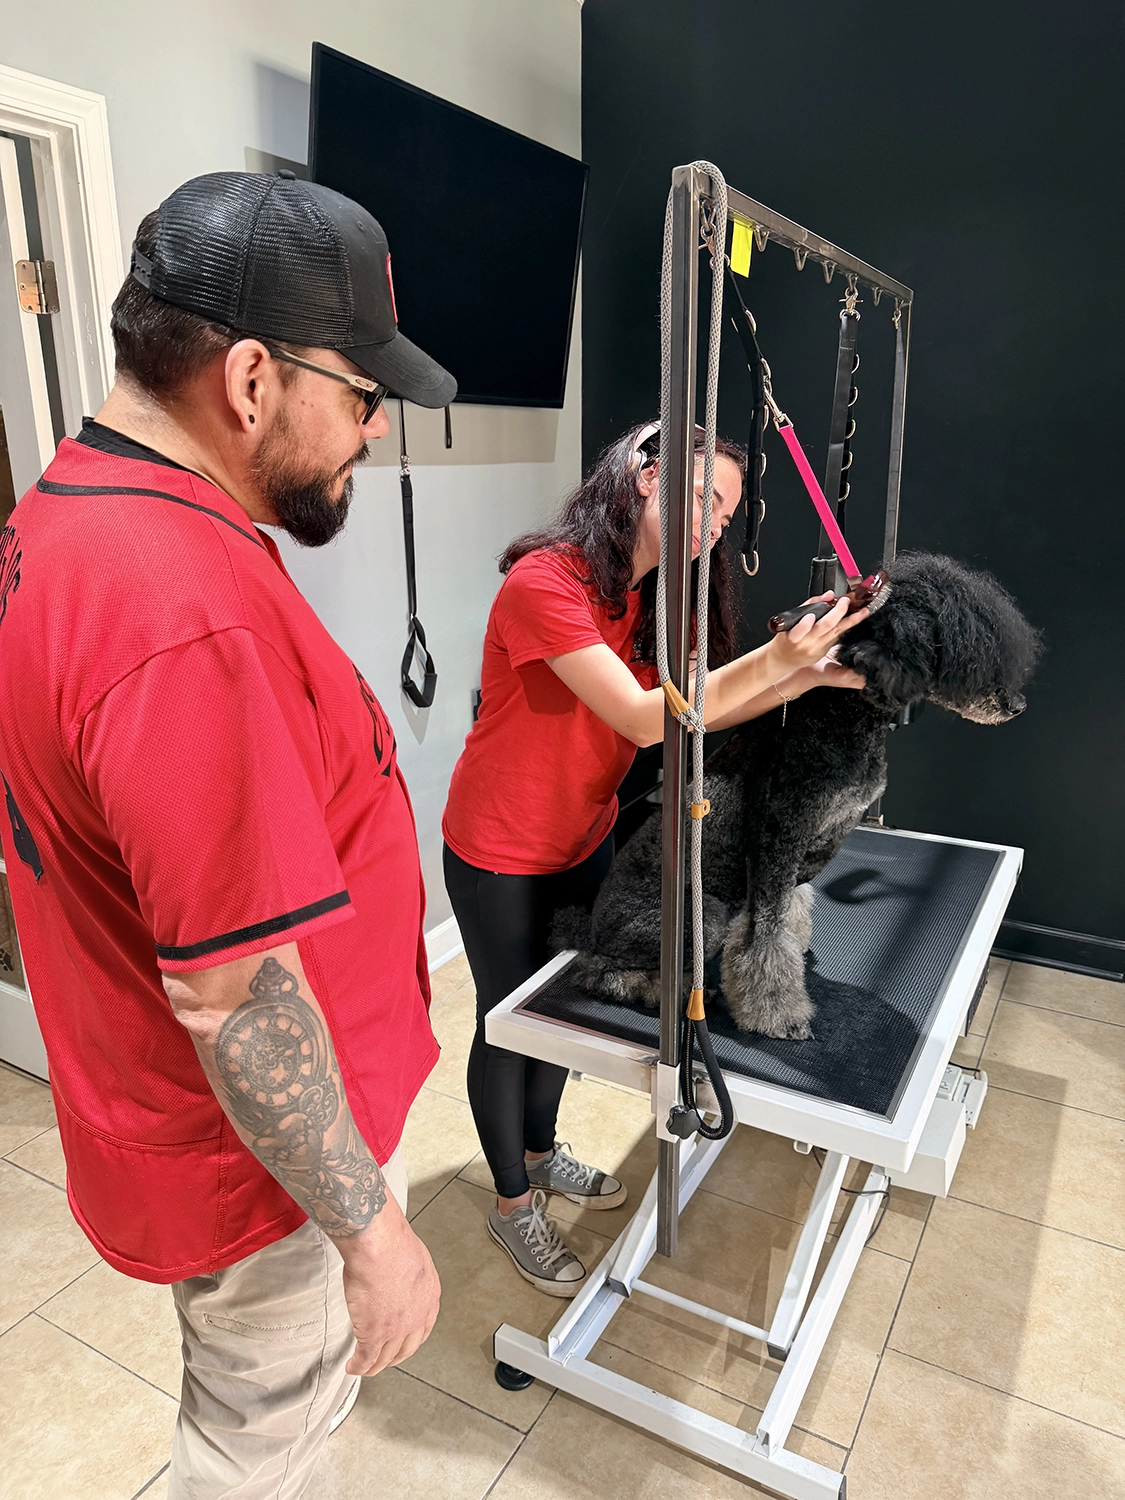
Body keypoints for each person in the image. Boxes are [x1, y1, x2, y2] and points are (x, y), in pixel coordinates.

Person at [0, 171, 457, 1499]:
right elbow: (236, 998)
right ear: (252, 380)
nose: (371, 431)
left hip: (201, 1136)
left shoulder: (71, 511)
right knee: (257, 1454)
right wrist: (370, 1231)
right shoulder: (181, 611)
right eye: (361, 397)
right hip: (259, 1185)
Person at [441, 422, 868, 1295]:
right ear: (644, 478)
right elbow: (647, 722)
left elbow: (693, 709)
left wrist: (807, 675)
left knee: (565, 1014)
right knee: (509, 1022)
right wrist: (776, 662)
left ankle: (539, 1153)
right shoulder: (543, 582)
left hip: (584, 835)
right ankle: (513, 1205)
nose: (714, 524)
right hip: (500, 848)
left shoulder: (650, 596)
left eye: (725, 513)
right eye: (703, 500)